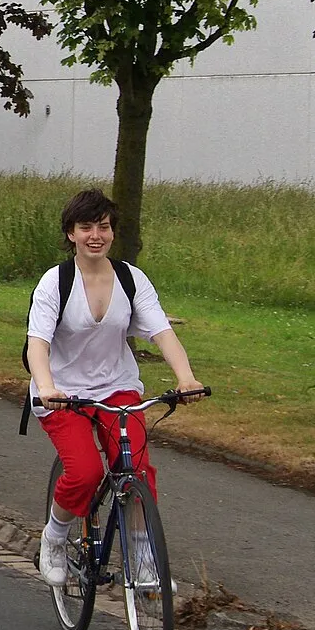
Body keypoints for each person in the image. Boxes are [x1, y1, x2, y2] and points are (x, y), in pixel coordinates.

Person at [28, 189, 205, 586]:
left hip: (117, 388)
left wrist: (186, 378)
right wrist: (46, 387)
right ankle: (54, 539)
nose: (96, 235)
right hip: (64, 395)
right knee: (86, 472)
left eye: (103, 227)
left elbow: (162, 332)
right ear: (70, 233)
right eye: (86, 227)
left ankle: (142, 558)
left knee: (138, 469)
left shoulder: (130, 278)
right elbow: (37, 342)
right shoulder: (55, 282)